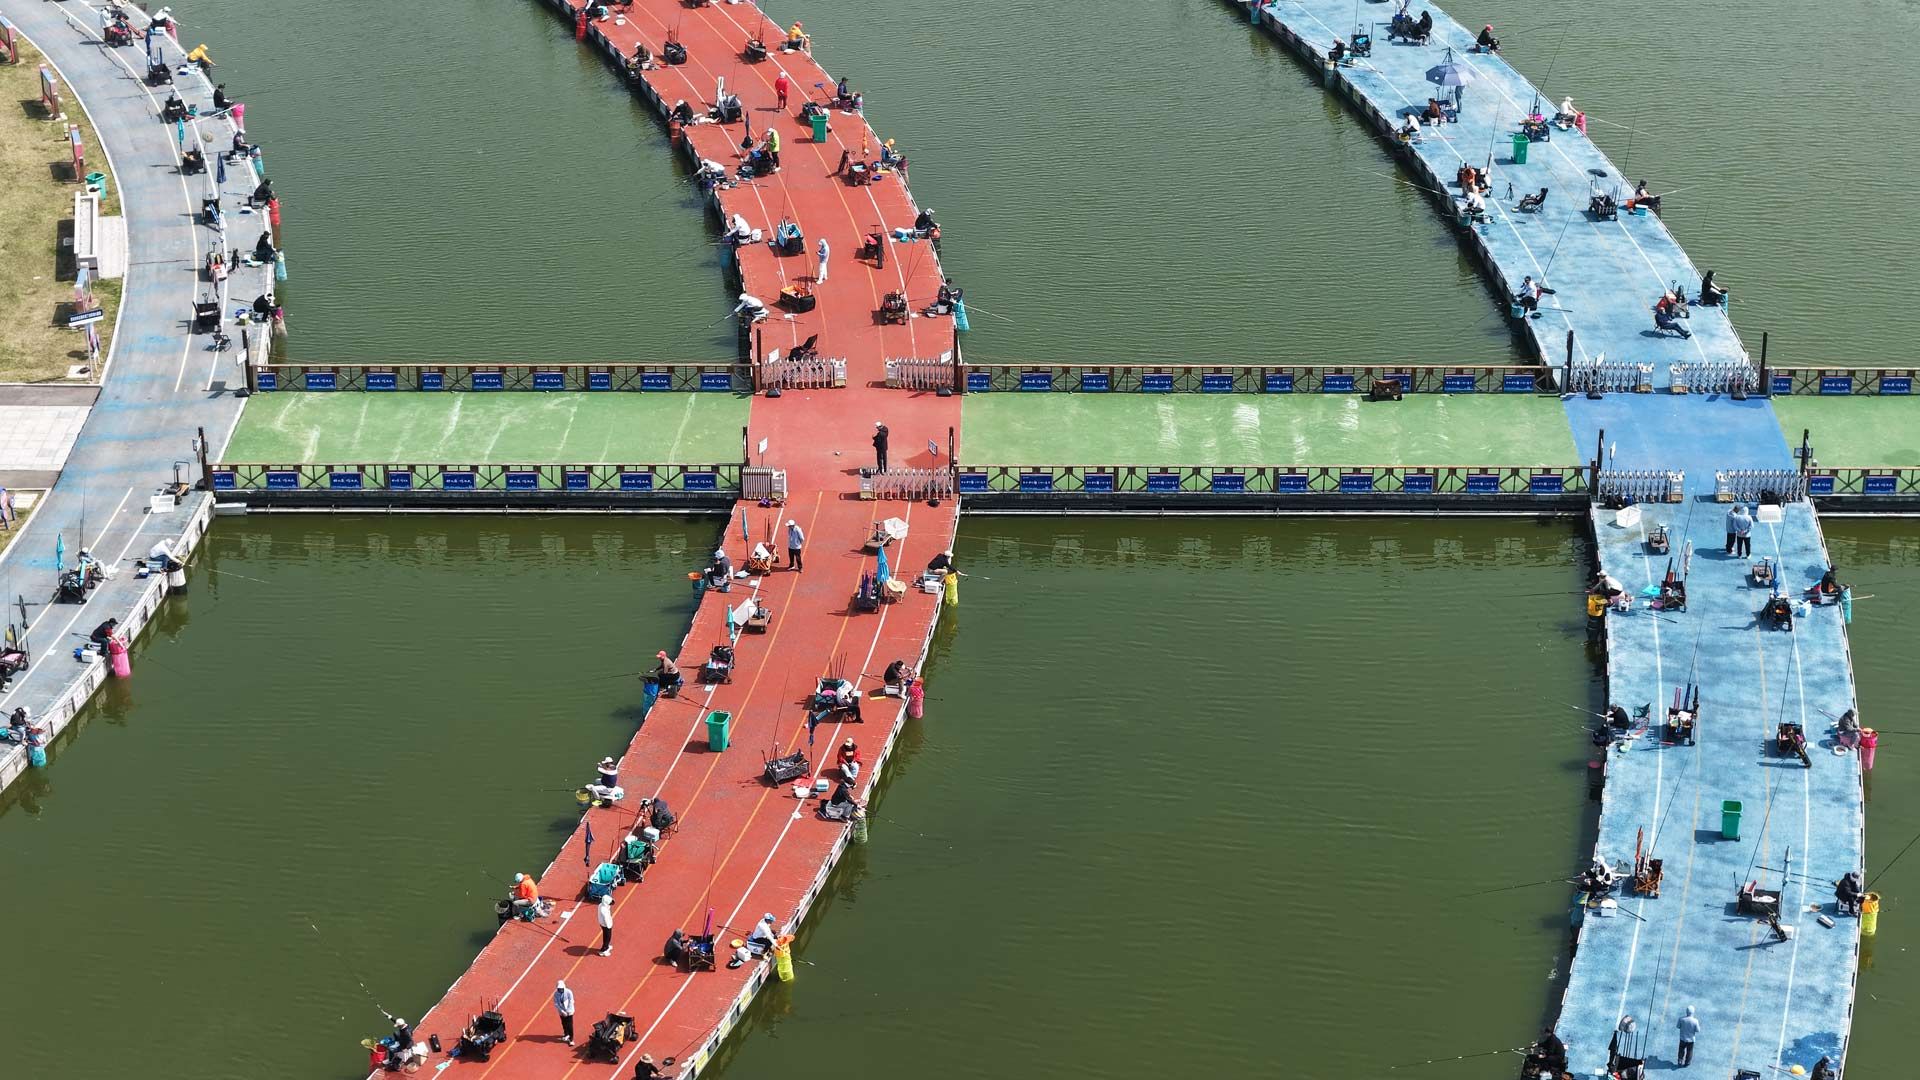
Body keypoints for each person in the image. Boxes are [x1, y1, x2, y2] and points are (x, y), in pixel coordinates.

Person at [553, 980, 576, 1046]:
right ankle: (566, 1034)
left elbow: (571, 1001)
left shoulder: (569, 992)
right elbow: (556, 1004)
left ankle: (571, 1039)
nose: (560, 990)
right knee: (564, 1023)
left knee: (569, 1025)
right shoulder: (556, 994)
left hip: (569, 1012)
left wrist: (568, 1011)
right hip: (562, 1012)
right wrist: (562, 1011)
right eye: (559, 989)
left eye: (561, 988)